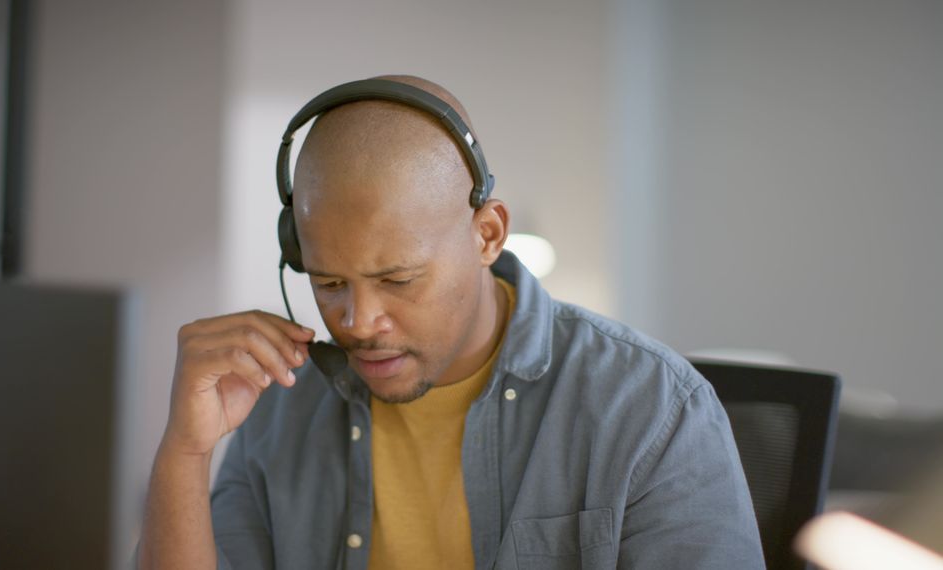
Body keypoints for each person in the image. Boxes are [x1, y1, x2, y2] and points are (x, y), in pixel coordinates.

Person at [136, 75, 765, 570]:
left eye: (397, 280)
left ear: (487, 234)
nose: (358, 322)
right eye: (327, 283)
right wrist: (185, 452)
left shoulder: (651, 409)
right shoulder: (282, 403)